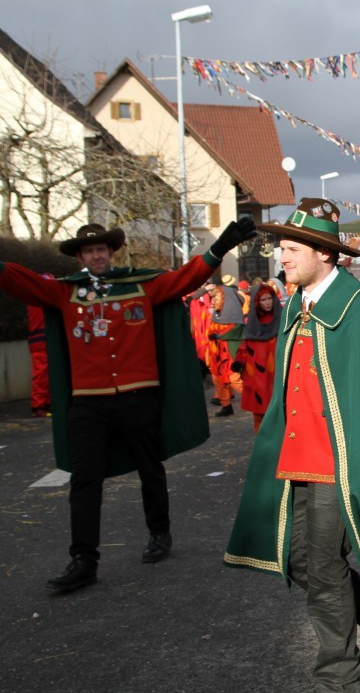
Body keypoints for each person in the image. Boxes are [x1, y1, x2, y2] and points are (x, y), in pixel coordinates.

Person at [225, 198, 360, 687]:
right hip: (298, 459)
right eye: (281, 246)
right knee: (298, 560)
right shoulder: (297, 305)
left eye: (291, 248)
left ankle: (336, 677)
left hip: (338, 463)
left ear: (325, 254)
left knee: (322, 569)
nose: (282, 256)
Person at [0, 220, 254, 592]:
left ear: (111, 252)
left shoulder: (140, 285)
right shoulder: (65, 293)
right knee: (85, 481)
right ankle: (83, 559)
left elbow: (184, 278)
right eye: (89, 251)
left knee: (149, 469)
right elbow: (21, 282)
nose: (97, 255)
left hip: (138, 395)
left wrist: (219, 248)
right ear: (80, 257)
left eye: (102, 249)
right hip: (88, 403)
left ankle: (159, 533)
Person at [231, 283, 282, 433]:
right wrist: (239, 361)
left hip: (276, 372)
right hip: (257, 374)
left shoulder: (282, 319)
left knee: (279, 409)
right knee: (259, 412)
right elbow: (245, 346)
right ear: (256, 303)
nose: (267, 303)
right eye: (263, 300)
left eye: (269, 299)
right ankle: (262, 446)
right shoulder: (252, 324)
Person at [207, 284, 245, 417]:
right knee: (218, 380)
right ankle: (226, 405)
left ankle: (256, 399)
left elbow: (233, 331)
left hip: (229, 354)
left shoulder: (235, 318)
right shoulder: (216, 315)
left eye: (216, 297)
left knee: (234, 379)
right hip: (217, 353)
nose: (213, 301)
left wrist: (218, 335)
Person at [26, 273, 54, 417]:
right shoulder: (40, 299)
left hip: (40, 339)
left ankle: (44, 403)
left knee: (45, 373)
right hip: (41, 340)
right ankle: (39, 405)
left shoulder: (34, 297)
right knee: (42, 373)